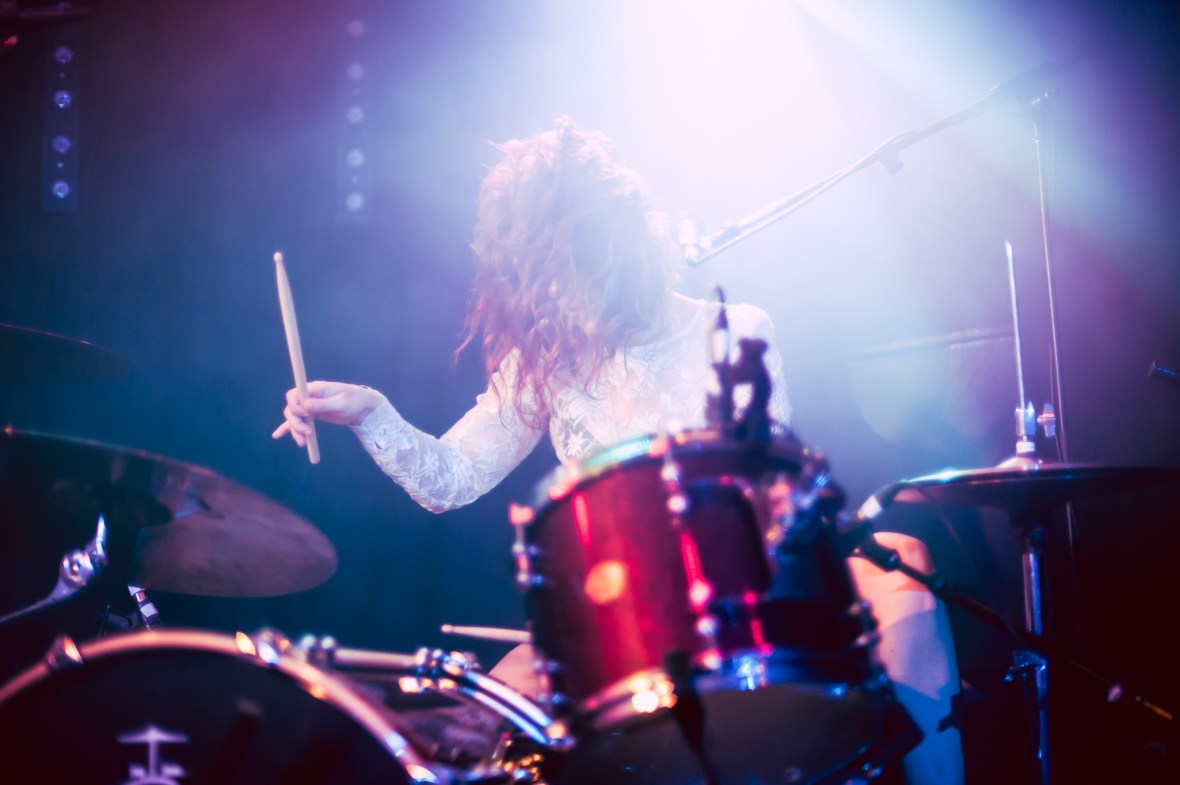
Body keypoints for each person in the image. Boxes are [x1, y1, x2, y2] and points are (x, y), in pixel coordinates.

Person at [273, 116, 963, 785]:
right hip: (618, 617)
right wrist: (372, 412)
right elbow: (450, 479)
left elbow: (764, 501)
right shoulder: (546, 362)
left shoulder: (734, 329)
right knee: (486, 708)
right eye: (537, 281)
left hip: (739, 596)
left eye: (565, 272)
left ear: (615, 246)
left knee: (902, 560)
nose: (554, 298)